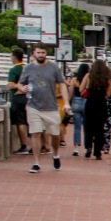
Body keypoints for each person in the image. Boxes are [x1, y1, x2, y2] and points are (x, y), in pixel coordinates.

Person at [19, 45, 70, 173]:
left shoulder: (53, 67)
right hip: (33, 106)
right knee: (35, 133)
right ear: (34, 53)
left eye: (43, 52)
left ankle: (56, 155)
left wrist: (66, 102)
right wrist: (22, 88)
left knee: (55, 134)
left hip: (51, 107)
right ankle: (36, 163)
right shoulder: (28, 68)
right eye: (38, 52)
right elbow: (20, 83)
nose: (41, 55)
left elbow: (62, 85)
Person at [80, 59, 111, 161]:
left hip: (90, 104)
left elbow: (81, 89)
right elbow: (108, 94)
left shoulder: (88, 76)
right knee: (100, 129)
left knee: (88, 127)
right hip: (101, 105)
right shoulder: (106, 78)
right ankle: (97, 152)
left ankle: (88, 147)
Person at [6, 48, 30, 154]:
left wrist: (17, 86)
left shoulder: (14, 70)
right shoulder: (28, 68)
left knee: (20, 121)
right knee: (29, 121)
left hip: (18, 97)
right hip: (29, 97)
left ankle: (24, 145)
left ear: (14, 58)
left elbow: (11, 84)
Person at [69, 62, 89, 156]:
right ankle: (86, 147)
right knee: (86, 126)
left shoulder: (74, 80)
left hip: (76, 102)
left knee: (77, 126)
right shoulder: (88, 79)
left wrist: (68, 103)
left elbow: (70, 93)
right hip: (86, 102)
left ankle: (76, 147)